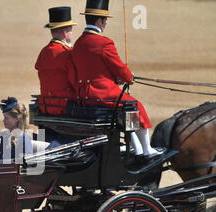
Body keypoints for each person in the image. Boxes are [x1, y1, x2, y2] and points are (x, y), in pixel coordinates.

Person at [70, 0, 165, 159]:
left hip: (85, 94)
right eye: (105, 20)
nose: (105, 23)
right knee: (135, 106)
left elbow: (93, 69)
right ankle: (147, 149)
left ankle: (136, 147)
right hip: (102, 93)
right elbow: (119, 68)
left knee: (128, 108)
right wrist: (127, 77)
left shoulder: (78, 43)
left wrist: (115, 78)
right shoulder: (104, 43)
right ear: (99, 21)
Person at [35, 6, 78, 116]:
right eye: (71, 30)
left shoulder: (44, 51)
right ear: (65, 33)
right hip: (65, 107)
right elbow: (76, 82)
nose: (72, 33)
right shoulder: (67, 53)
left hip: (46, 107)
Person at [0, 97, 33, 162]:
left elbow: (28, 166)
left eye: (6, 118)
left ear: (17, 118)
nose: (3, 120)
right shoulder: (4, 139)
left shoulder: (24, 140)